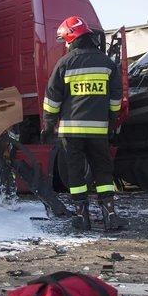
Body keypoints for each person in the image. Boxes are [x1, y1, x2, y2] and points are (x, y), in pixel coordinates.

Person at [41, 16, 125, 232]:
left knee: (76, 174)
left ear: (71, 38)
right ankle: (110, 217)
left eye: (66, 41)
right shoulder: (107, 63)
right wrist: (111, 120)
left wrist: (48, 124)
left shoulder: (65, 63)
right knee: (103, 173)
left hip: (71, 131)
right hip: (99, 130)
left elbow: (52, 99)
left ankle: (82, 219)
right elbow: (116, 98)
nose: (66, 45)